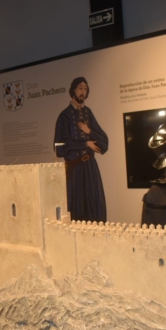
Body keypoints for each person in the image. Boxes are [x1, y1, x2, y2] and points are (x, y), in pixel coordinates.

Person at [54, 77, 109, 222]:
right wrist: (85, 144)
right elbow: (59, 148)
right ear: (73, 90)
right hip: (75, 169)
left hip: (90, 167)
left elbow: (104, 141)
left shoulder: (88, 113)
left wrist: (89, 130)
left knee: (93, 206)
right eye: (80, 88)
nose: (82, 92)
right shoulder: (64, 116)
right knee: (77, 208)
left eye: (85, 88)